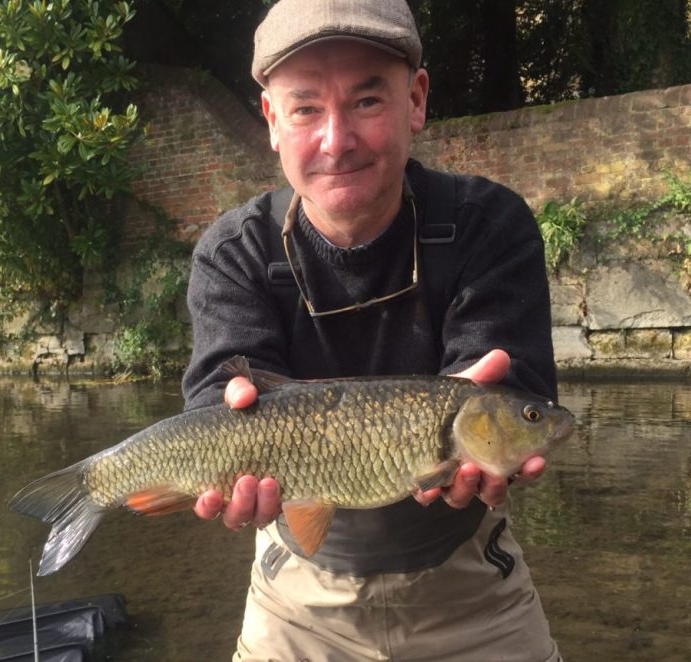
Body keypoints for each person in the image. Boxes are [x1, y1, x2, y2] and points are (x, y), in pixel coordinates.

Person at [181, 0, 561, 659]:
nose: (336, 140)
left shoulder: (489, 226)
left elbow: (505, 380)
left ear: (415, 101)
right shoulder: (233, 253)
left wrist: (488, 416)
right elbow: (218, 404)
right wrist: (226, 426)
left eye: (365, 101)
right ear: (272, 120)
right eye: (305, 108)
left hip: (469, 580)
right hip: (295, 594)